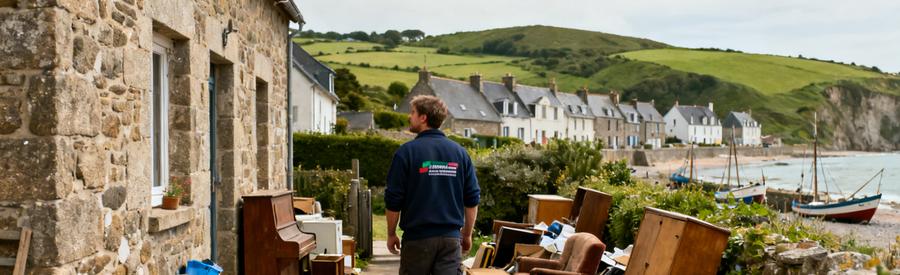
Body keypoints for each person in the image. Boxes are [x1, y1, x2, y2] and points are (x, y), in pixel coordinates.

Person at [385, 95, 481, 275]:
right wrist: (466, 235)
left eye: (412, 112)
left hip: (417, 241)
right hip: (450, 241)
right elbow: (472, 199)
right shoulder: (460, 153)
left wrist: (391, 234)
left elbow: (393, 200)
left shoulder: (406, 153)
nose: (409, 116)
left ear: (423, 118)